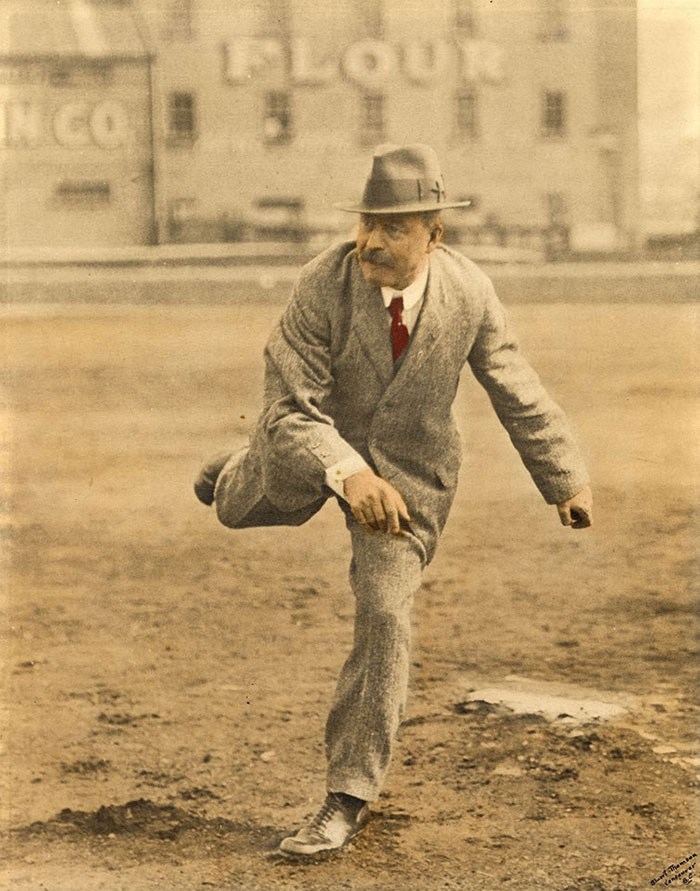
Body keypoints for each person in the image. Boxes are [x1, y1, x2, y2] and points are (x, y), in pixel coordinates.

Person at [194, 143, 593, 858]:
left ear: (435, 236)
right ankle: (232, 469)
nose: (372, 240)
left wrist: (562, 477)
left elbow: (514, 382)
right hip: (307, 442)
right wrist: (347, 472)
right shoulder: (322, 283)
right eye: (367, 222)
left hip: (410, 476)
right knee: (240, 501)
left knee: (385, 612)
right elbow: (289, 405)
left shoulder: (469, 293)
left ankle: (346, 795)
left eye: (396, 228)